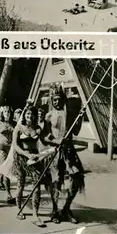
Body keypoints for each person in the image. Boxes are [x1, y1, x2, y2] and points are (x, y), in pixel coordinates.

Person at [7, 103, 58, 227]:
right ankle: (19, 209)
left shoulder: (37, 128)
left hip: (35, 158)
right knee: (21, 184)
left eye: (32, 114)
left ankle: (35, 214)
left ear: (35, 116)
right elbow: (16, 146)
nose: (30, 116)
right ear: (25, 115)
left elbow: (45, 139)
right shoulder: (18, 128)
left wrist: (57, 142)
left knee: (37, 185)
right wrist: (26, 155)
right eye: (28, 113)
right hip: (20, 158)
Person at [45, 84, 85, 224]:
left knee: (76, 178)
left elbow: (76, 132)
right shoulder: (49, 116)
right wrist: (56, 140)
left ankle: (66, 208)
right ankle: (55, 211)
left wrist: (80, 117)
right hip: (55, 152)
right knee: (56, 182)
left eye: (59, 99)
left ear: (63, 99)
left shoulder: (70, 114)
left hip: (69, 151)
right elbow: (44, 136)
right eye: (54, 99)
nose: (57, 102)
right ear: (52, 100)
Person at [0, 106, 14, 203]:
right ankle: (8, 193)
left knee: (11, 170)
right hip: (2, 149)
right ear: (2, 113)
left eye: (8, 111)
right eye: (5, 111)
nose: (7, 113)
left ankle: (2, 181)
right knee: (6, 170)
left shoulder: (14, 123)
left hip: (12, 149)